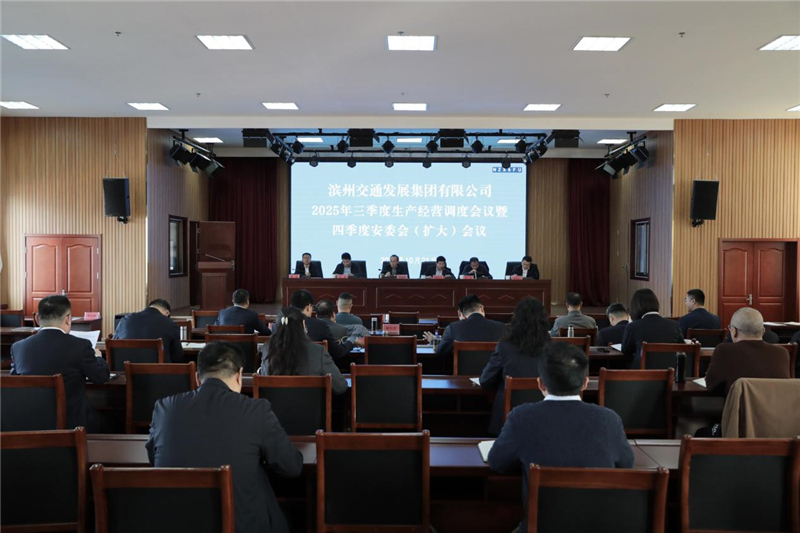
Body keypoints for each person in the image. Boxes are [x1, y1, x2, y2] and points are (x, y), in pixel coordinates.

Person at [147, 341, 303, 533]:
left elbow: (154, 459)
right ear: (239, 375)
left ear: (197, 378)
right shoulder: (256, 411)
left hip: (176, 523)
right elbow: (291, 466)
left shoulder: (164, 409)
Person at [488, 342, 633, 533]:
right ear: (585, 383)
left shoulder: (521, 417)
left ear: (540, 383)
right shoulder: (609, 419)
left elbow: (497, 462)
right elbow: (626, 464)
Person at [10, 295, 111, 432]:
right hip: (74, 426)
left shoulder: (18, 347)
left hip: (31, 425)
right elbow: (100, 377)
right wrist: (98, 358)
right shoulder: (80, 346)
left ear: (37, 319)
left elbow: (15, 383)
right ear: (68, 319)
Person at [480, 297, 551, 436]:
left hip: (507, 419)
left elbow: (485, 380)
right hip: (544, 419)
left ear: (516, 320)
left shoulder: (504, 346)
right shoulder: (552, 348)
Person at [259, 307, 347, 395]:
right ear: (303, 325)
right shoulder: (318, 352)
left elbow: (263, 383)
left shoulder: (267, 349)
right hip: (311, 404)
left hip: (273, 404)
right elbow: (340, 386)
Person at [705, 307, 791, 396]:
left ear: (734, 331)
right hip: (773, 405)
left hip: (739, 405)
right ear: (763, 331)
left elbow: (711, 386)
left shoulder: (724, 351)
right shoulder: (782, 353)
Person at [422, 295, 506, 370]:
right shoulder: (502, 328)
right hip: (494, 379)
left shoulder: (453, 328)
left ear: (460, 313)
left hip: (461, 378)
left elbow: (440, 352)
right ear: (482, 308)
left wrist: (434, 341)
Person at [290, 290, 363, 365]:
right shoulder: (320, 325)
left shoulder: (283, 324)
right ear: (308, 307)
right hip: (314, 368)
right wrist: (351, 341)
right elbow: (336, 352)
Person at [621, 289, 684, 368]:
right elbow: (682, 347)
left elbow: (626, 351)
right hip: (670, 371)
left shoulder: (633, 326)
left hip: (642, 373)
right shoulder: (674, 325)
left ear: (635, 307)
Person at [113, 299, 184, 363]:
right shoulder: (170, 323)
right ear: (167, 312)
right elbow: (177, 356)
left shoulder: (126, 319)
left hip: (125, 369)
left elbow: (113, 344)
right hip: (158, 372)